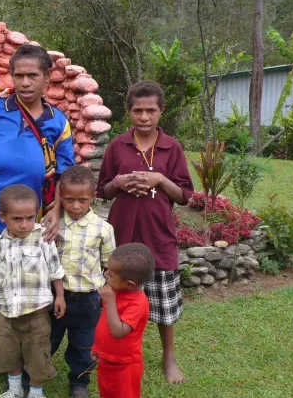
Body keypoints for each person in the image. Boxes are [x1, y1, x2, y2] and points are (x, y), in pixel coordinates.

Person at [0, 44, 75, 393]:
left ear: (47, 77)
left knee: (27, 292)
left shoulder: (58, 121)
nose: (24, 82)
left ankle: (20, 362)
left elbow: (66, 172)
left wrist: (56, 209)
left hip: (30, 225)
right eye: (18, 75)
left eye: (32, 75)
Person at [97, 81, 194, 384]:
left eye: (150, 110)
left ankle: (168, 358)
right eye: (137, 110)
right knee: (116, 296)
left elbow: (184, 195)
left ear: (161, 111)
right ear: (129, 112)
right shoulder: (118, 146)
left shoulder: (171, 147)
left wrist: (159, 179)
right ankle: (107, 349)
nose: (143, 117)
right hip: (122, 234)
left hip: (158, 235)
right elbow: (103, 190)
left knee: (165, 303)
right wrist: (120, 183)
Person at [0, 184, 66, 398]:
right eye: (17, 219)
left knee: (37, 353)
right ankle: (14, 390)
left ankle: (36, 391)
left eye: (30, 218)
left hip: (37, 312)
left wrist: (59, 295)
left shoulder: (43, 237)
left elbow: (55, 269)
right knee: (9, 352)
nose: (24, 225)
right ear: (2, 217)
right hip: (6, 313)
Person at [51, 165, 116, 398]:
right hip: (57, 295)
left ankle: (79, 382)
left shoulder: (103, 229)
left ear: (93, 198)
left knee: (84, 344)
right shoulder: (53, 225)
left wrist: (108, 296)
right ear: (61, 197)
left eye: (82, 200)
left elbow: (109, 265)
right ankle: (35, 375)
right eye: (69, 200)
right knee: (48, 338)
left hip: (88, 298)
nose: (76, 206)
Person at [92, 243, 155, 398]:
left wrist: (110, 302)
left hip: (125, 367)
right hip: (107, 361)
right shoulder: (117, 291)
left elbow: (118, 331)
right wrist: (98, 348)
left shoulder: (138, 303)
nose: (106, 274)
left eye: (111, 274)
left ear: (130, 284)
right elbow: (104, 324)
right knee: (106, 392)